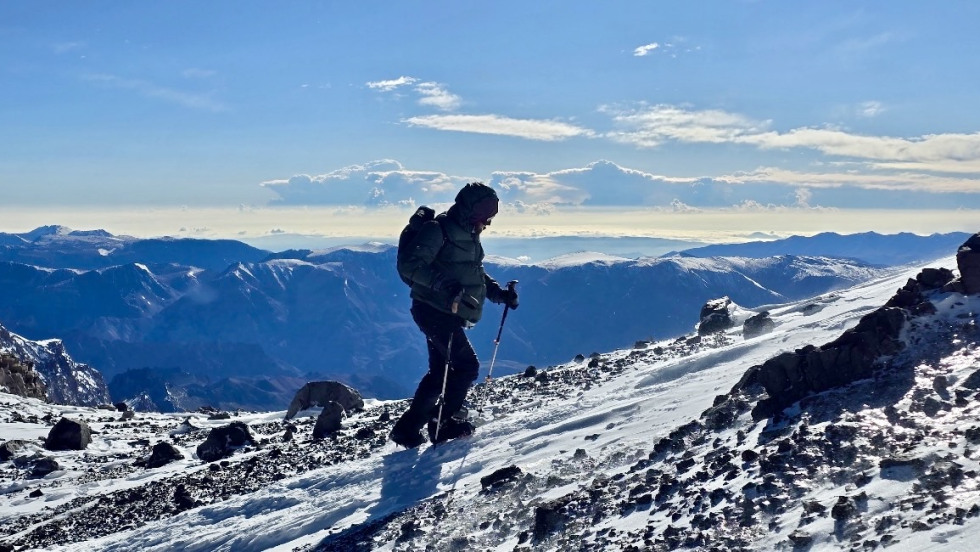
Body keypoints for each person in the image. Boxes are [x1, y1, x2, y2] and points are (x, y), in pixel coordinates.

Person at [390, 182, 519, 448]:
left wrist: (499, 294)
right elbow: (409, 265)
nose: (488, 222)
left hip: (446, 310)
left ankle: (407, 430)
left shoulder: (467, 233)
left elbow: (472, 273)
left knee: (441, 373)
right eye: (485, 216)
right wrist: (441, 284)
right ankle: (442, 424)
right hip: (433, 309)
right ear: (471, 211)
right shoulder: (438, 230)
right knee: (466, 366)